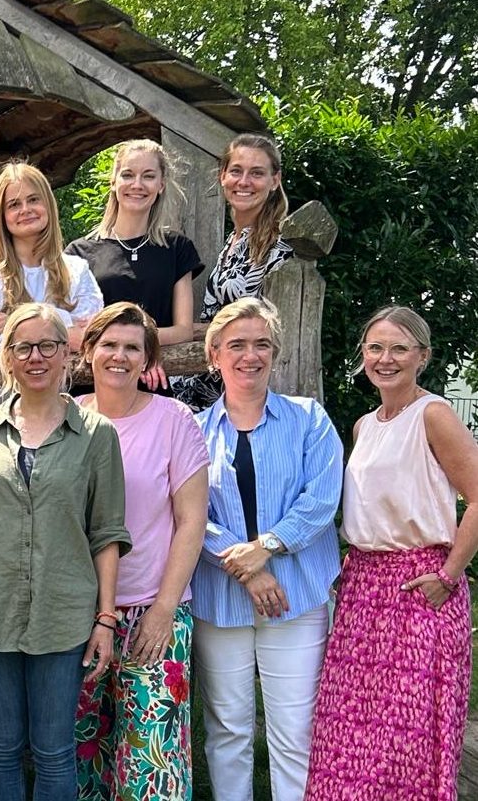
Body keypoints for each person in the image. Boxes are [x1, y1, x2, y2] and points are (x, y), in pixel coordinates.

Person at [0, 303, 130, 801]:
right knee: (1, 745)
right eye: (23, 347)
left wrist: (105, 619)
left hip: (64, 615)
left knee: (54, 749)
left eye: (47, 346)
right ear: (8, 358)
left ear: (67, 354)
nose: (35, 357)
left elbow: (107, 533)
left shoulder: (96, 434)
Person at [305, 307, 478, 801]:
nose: (386, 359)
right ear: (363, 354)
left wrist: (449, 574)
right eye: (376, 347)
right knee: (348, 730)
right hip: (363, 589)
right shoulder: (365, 426)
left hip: (420, 586)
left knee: (407, 737)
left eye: (399, 348)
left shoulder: (433, 415)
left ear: (422, 356)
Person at [192, 297, 341, 801]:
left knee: (295, 731)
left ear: (274, 352)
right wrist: (249, 567)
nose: (250, 355)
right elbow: (190, 514)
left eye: (262, 344)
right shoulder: (192, 430)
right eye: (236, 344)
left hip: (295, 597)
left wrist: (269, 546)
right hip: (221, 598)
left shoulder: (309, 419)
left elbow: (322, 498)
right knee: (227, 730)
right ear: (215, 355)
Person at [72, 303, 209, 800]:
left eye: (132, 347)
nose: (120, 356)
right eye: (109, 344)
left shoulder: (174, 420)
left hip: (153, 608)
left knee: (153, 761)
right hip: (78, 613)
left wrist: (164, 609)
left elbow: (192, 521)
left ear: (148, 359)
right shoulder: (67, 417)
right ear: (88, 352)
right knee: (82, 752)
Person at [66, 139, 202, 393]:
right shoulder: (78, 253)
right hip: (90, 389)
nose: (137, 184)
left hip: (151, 384)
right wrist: (130, 345)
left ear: (161, 185)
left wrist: (139, 348)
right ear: (113, 181)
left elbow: (183, 331)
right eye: (128, 175)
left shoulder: (177, 248)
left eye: (148, 176)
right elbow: (68, 329)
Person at [0, 160, 103, 409]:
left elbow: (91, 339)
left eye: (33, 200)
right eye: (14, 204)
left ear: (48, 204)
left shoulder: (76, 270)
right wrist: (64, 327)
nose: (25, 209)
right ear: (2, 215)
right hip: (1, 407)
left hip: (61, 407)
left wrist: (13, 320)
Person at [177, 134, 294, 409]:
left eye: (257, 173)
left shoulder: (279, 247)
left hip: (246, 394)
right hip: (208, 387)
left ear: (275, 180)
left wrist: (185, 330)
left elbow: (271, 330)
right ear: (223, 176)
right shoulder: (233, 241)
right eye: (236, 171)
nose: (244, 182)